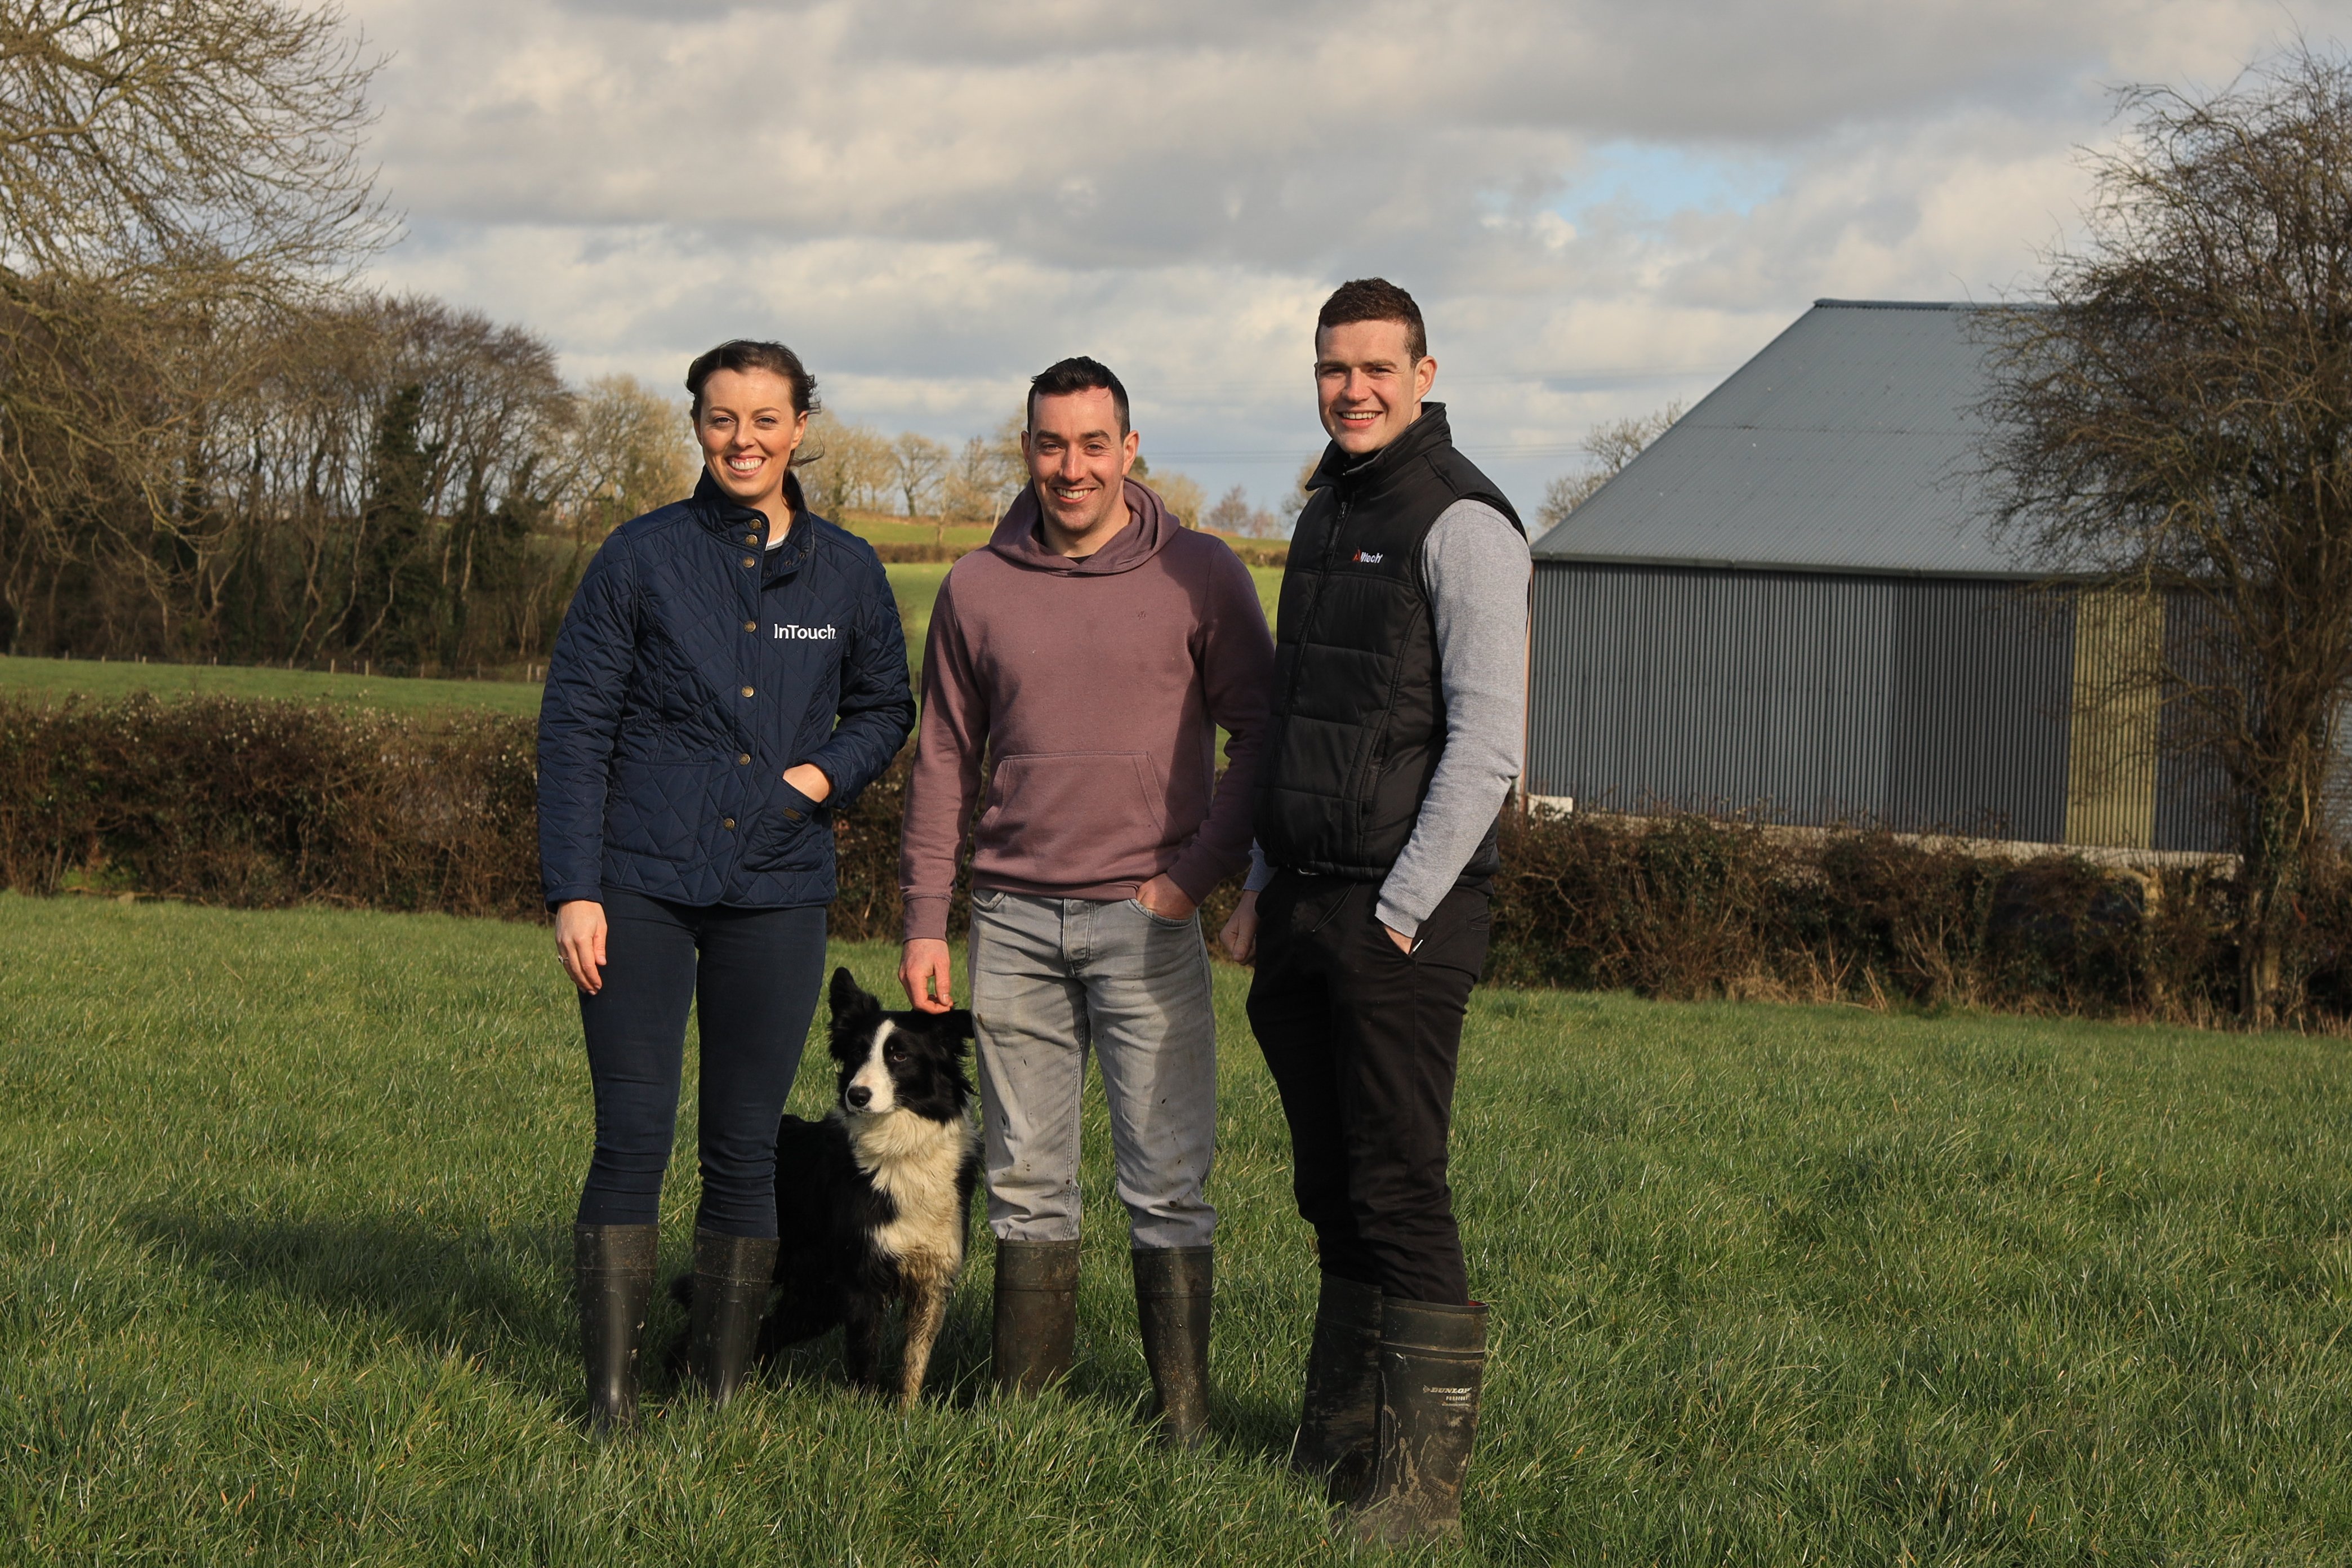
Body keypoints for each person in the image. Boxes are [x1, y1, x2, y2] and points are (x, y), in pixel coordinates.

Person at [538, 338, 916, 1429]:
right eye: (720, 419)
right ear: (694, 425)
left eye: (764, 420)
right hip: (637, 886)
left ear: (802, 427)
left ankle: (716, 1393)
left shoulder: (847, 572)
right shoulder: (639, 558)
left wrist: (816, 777)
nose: (742, 440)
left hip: (778, 889)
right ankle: (609, 1401)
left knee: (746, 1144)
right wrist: (575, 886)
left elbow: (886, 708)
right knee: (631, 1135)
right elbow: (574, 729)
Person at [897, 356, 1273, 1447]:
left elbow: (1261, 734)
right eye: (1051, 444)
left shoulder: (1202, 576)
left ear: (1131, 447)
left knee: (1166, 1179)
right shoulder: (976, 585)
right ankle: (1031, 1423)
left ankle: (1186, 1424)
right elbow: (941, 763)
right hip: (1010, 920)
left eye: (1093, 443)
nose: (1072, 466)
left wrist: (1195, 877)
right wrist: (929, 915)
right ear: (1026, 449)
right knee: (1024, 1180)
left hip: (1147, 921)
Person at [1220, 279, 1529, 1542]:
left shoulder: (1462, 523)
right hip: (1301, 902)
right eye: (1332, 368)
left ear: (1423, 369)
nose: (1352, 388)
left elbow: (1486, 745)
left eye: (1375, 368)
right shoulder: (1321, 511)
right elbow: (1293, 721)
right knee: (1330, 1185)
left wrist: (1402, 910)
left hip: (1402, 915)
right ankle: (1341, 1442)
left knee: (1400, 1184)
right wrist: (1253, 891)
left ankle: (1421, 1496)